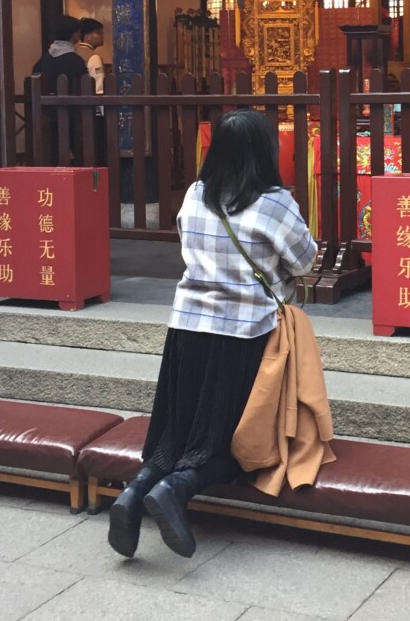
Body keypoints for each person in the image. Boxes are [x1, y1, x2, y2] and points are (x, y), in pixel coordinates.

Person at [108, 108, 319, 560]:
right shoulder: (274, 203)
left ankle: (134, 493)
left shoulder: (194, 194)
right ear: (265, 152)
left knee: (177, 430)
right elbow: (304, 262)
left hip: (186, 328)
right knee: (232, 436)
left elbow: (187, 243)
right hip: (244, 335)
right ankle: (176, 490)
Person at [31, 15, 88, 93]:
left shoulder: (43, 60)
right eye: (79, 31)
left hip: (44, 105)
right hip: (71, 104)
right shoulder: (76, 61)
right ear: (74, 34)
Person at [75, 17, 106, 96]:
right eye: (98, 33)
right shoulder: (94, 57)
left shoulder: (73, 52)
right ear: (87, 36)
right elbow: (99, 84)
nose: (102, 36)